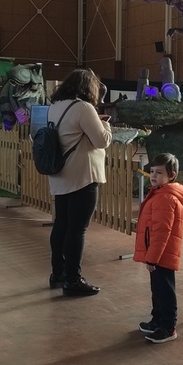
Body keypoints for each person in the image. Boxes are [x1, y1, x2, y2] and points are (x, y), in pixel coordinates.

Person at [47, 68, 113, 297]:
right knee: (77, 229)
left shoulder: (55, 106)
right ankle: (74, 280)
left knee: (62, 225)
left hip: (61, 174)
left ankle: (59, 273)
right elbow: (102, 141)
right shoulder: (84, 108)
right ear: (89, 88)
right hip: (82, 176)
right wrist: (105, 124)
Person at [134, 153, 183, 344]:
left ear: (171, 175)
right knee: (157, 289)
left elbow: (161, 232)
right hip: (157, 254)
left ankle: (167, 327)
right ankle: (157, 320)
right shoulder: (159, 193)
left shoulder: (166, 198)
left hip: (161, 255)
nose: (153, 176)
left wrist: (152, 258)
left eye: (159, 172)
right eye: (151, 172)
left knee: (164, 291)